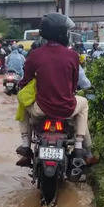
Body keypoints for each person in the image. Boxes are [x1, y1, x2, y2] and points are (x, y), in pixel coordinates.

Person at [16, 12, 91, 166]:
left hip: (40, 109)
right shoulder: (73, 55)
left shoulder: (35, 55)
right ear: (61, 33)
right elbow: (75, 82)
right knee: (84, 105)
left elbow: (26, 80)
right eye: (66, 31)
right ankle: (78, 147)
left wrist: (23, 87)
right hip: (67, 109)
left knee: (22, 101)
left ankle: (25, 145)